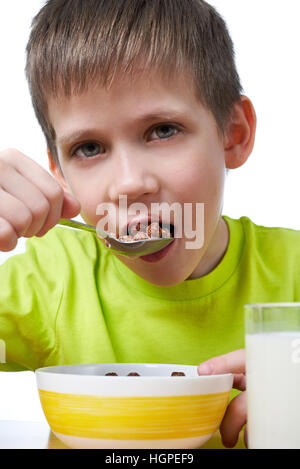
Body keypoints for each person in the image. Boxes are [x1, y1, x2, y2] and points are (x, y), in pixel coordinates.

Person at [0, 0, 299, 448]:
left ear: (232, 134)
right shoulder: (50, 280)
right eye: (88, 148)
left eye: (162, 130)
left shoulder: (291, 271)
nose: (129, 183)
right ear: (59, 174)